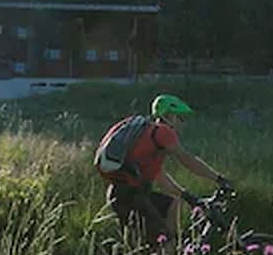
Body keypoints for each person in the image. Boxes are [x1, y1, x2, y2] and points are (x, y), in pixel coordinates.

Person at [99, 94, 232, 245]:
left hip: (124, 194)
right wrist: (219, 179)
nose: (183, 123)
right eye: (180, 118)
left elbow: (161, 179)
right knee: (165, 242)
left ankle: (169, 250)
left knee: (173, 204)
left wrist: (189, 197)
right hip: (131, 197)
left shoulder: (149, 139)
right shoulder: (163, 132)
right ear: (169, 116)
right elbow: (187, 160)